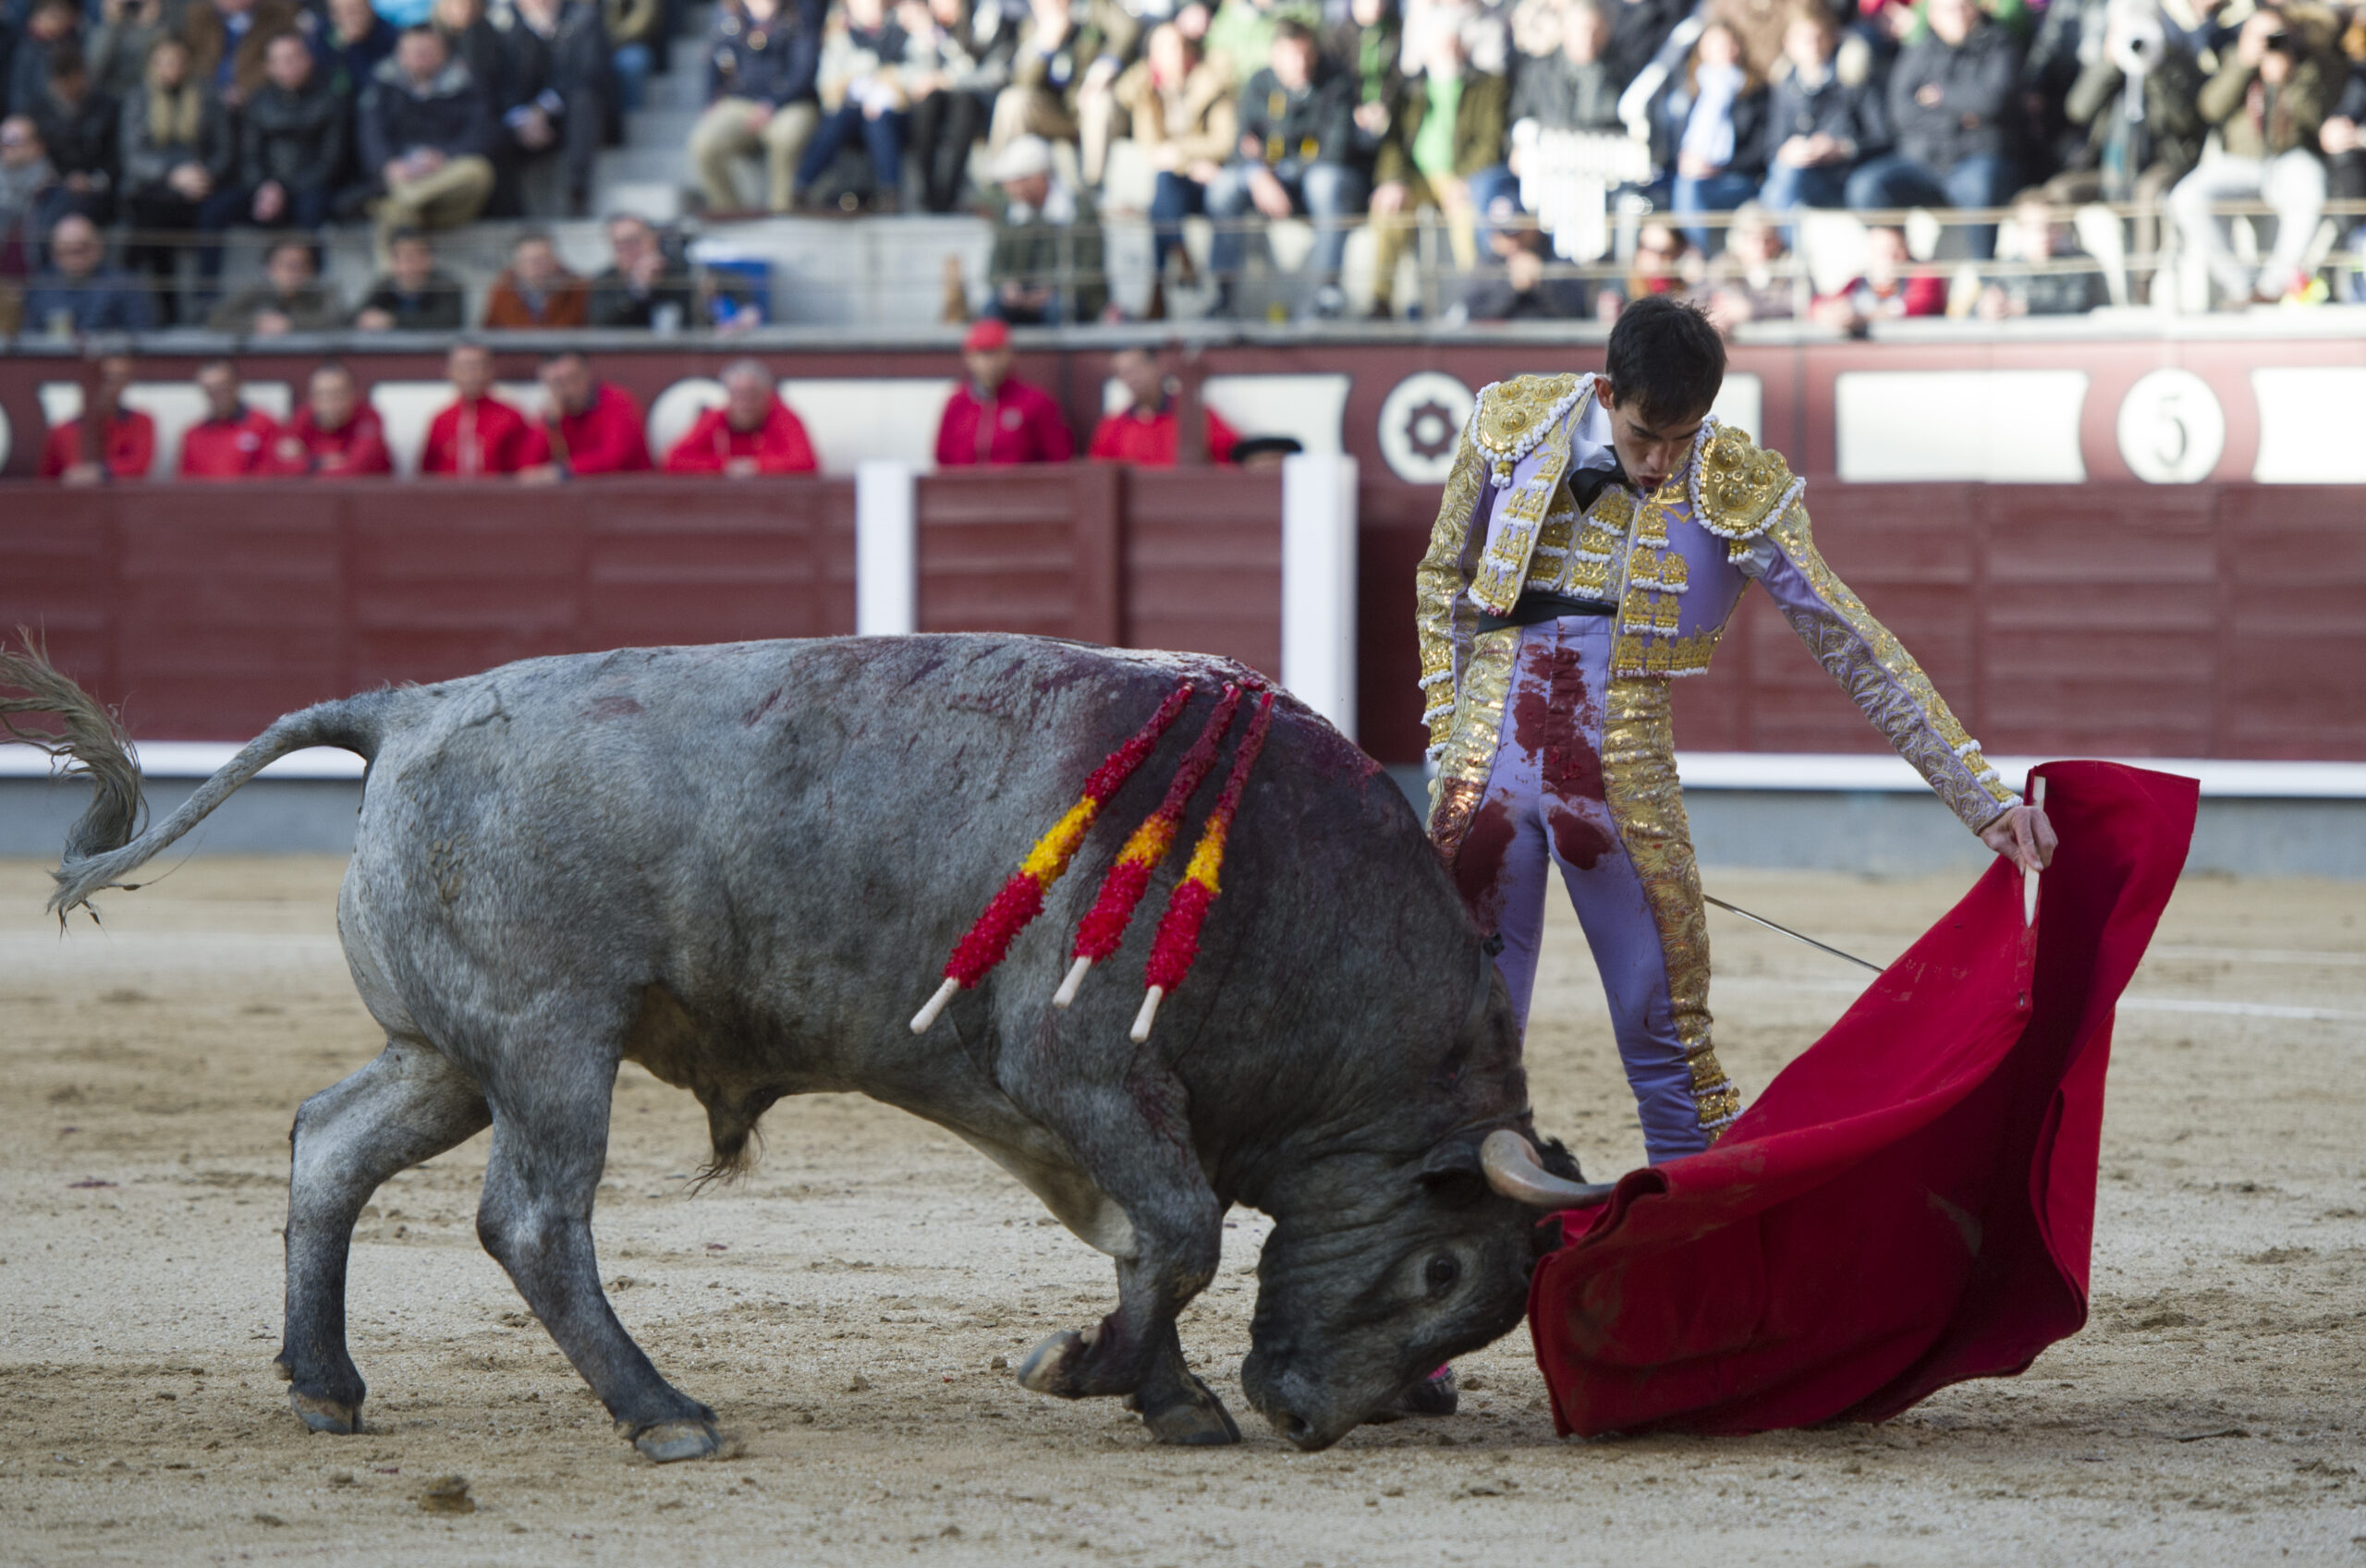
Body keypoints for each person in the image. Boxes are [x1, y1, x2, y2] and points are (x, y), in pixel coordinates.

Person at [1412, 294, 2052, 1176]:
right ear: (1604, 391)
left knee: (1663, 1025)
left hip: (1619, 773)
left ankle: (1693, 1253)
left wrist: (1981, 798)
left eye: (1684, 437)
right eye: (1644, 437)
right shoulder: (1511, 419)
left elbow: (1851, 640)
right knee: (1462, 1032)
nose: (1660, 462)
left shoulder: (1734, 482)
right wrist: (1447, 736)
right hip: (1484, 764)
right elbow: (1444, 577)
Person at [2169, 5, 2337, 307]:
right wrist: (2243, 66)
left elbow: (2314, 119)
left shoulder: (2307, 65)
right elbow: (2210, 108)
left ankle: (2273, 287)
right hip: (2240, 160)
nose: (2267, 43)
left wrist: (2287, 79)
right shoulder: (2233, 59)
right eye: (2258, 36)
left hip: (2290, 158)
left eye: (2274, 36)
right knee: (2187, 198)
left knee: (2311, 192)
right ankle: (2242, 288)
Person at [1204, 19, 1365, 315]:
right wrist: (1259, 174)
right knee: (1223, 187)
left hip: (1315, 178)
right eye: (1292, 55)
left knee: (1326, 183)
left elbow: (1335, 149)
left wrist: (1280, 164)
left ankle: (1325, 292)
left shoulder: (1336, 83)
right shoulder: (1259, 84)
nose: (1300, 64)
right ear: (1275, 56)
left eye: (1306, 54)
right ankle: (1222, 294)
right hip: (1270, 176)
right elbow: (1241, 144)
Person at [1844, 0, 2021, 258]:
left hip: (1975, 158)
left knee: (1980, 187)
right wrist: (1959, 119)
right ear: (1934, 15)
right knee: (1866, 187)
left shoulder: (1999, 44)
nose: (1959, 16)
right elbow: (1901, 111)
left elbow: (1992, 101)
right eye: (1950, 10)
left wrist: (1938, 96)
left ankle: (1985, 276)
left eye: (1964, 7)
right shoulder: (1920, 48)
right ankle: (1903, 271)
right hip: (1922, 161)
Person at [1367, 22, 1506, 313]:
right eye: (1441, 43)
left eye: (1454, 42)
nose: (1449, 50)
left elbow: (1488, 142)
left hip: (1460, 178)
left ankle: (1477, 301)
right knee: (1389, 210)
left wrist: (1465, 179)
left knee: (1468, 216)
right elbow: (1393, 146)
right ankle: (1380, 299)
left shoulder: (1487, 86)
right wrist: (1392, 180)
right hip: (1416, 178)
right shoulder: (1409, 90)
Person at [118, 35, 239, 321]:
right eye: (165, 62)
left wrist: (201, 174)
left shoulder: (208, 96)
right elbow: (132, 157)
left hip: (200, 187)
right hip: (155, 188)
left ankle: (205, 298)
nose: (172, 68)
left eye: (178, 61)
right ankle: (165, 306)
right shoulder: (138, 98)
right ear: (152, 65)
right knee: (152, 217)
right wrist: (171, 174)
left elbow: (224, 150)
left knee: (213, 211)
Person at [1115, 22, 1237, 284]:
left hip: (1210, 178)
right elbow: (1152, 149)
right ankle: (1178, 252)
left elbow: (1223, 142)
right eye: (1168, 48)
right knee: (1164, 186)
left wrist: (1180, 153)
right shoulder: (1146, 90)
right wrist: (1188, 164)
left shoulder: (1212, 83)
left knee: (1162, 199)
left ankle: (1160, 281)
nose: (1177, 54)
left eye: (1181, 46)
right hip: (1179, 176)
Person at [359, 26, 498, 245]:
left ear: (444, 52)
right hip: (401, 174)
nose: (421, 57)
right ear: (400, 54)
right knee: (397, 215)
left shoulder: (467, 84)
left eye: (428, 51)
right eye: (415, 52)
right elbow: (371, 135)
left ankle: (407, 200)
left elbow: (480, 134)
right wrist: (389, 165)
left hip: (446, 177)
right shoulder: (382, 85)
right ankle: (405, 207)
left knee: (479, 171)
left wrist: (443, 157)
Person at [690, 0, 827, 213]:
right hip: (740, 101)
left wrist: (773, 103)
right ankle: (730, 214)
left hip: (790, 102)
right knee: (703, 143)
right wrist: (711, 99)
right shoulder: (728, 17)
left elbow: (804, 71)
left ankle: (782, 211)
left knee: (786, 137)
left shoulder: (800, 14)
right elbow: (714, 61)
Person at [1757, 2, 1885, 218]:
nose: (1812, 45)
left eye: (1818, 37)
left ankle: (1778, 238)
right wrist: (1787, 151)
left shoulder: (1853, 76)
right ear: (1788, 43)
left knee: (1788, 177)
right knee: (1786, 172)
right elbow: (1772, 145)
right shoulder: (1785, 85)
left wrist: (1842, 148)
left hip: (1845, 175)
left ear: (1831, 37)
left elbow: (1882, 136)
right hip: (1801, 175)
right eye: (1804, 39)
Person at [896, 0, 1016, 213]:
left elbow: (997, 74)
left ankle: (949, 193)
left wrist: (950, 80)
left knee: (964, 103)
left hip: (980, 102)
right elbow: (917, 80)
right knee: (927, 105)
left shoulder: (988, 21)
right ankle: (927, 191)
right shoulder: (928, 26)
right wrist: (927, 39)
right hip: (939, 106)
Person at [1662, 19, 1766, 256]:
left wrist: (1717, 168)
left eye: (1728, 44)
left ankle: (1707, 258)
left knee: (1689, 190)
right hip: (1695, 175)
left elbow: (1761, 149)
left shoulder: (1755, 93)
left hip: (1739, 177)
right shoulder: (1691, 91)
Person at [498, 0, 612, 216]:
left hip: (569, 114)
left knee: (583, 102)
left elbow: (586, 73)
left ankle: (577, 191)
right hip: (524, 119)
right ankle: (506, 208)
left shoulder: (583, 16)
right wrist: (524, 118)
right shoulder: (504, 23)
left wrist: (542, 109)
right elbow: (502, 83)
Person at [798, 0, 913, 209]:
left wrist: (882, 88)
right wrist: (853, 81)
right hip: (849, 109)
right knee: (838, 120)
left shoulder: (900, 28)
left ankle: (890, 193)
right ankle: (802, 186)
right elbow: (827, 87)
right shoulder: (840, 36)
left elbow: (913, 73)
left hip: (892, 110)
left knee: (878, 121)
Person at [983, 133, 1108, 322]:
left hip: (1067, 298)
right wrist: (1008, 287)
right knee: (992, 310)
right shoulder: (1009, 213)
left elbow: (1091, 271)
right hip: (1023, 298)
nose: (1009, 188)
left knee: (1059, 309)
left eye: (1017, 181)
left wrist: (1052, 290)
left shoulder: (1080, 210)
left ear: (1038, 178)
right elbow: (995, 269)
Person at [238, 30, 348, 234]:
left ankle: (311, 264)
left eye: (295, 57)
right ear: (269, 67)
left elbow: (331, 160)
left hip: (312, 185)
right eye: (281, 60)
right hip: (268, 186)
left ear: (309, 59)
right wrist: (265, 186)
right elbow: (249, 154)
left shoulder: (329, 100)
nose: (289, 65)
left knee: (311, 208)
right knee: (221, 208)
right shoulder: (259, 101)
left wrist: (285, 190)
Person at [933, 316, 1073, 465]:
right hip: (966, 487)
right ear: (969, 357)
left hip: (1020, 487)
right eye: (982, 353)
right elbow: (943, 460)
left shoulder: (1037, 403)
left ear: (1008, 354)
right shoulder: (957, 404)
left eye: (995, 352)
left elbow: (1059, 462)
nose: (989, 362)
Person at [662, 358, 820, 475]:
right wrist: (724, 467)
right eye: (738, 395)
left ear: (767, 395)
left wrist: (756, 467)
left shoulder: (783, 418)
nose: (745, 403)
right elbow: (674, 460)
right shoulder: (716, 418)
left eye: (752, 395)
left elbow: (805, 462)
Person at [1088, 345, 1238, 463]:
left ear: (1157, 367)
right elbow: (1099, 474)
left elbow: (1232, 454)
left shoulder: (1193, 413)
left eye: (1136, 368)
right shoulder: (1112, 426)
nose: (1132, 378)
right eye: (1123, 373)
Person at [518, 350, 652, 479]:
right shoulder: (552, 416)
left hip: (628, 493)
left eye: (573, 378)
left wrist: (564, 471)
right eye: (558, 383)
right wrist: (550, 424)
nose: (567, 389)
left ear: (587, 374)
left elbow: (614, 457)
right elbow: (528, 469)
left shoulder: (618, 402)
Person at [22, 213, 157, 334]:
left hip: (108, 358)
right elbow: (29, 338)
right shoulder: (40, 287)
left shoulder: (125, 285)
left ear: (99, 247)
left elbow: (143, 338)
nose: (75, 257)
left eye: (82, 249)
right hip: (54, 360)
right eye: (66, 250)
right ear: (54, 253)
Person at [1978, 192, 2109, 316]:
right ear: (2020, 230)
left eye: (2050, 227)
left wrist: (2025, 309)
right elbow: (1974, 311)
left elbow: (2078, 304)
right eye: (2034, 227)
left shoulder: (2081, 264)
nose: (2043, 235)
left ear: (2061, 228)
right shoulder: (2005, 269)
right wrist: (1987, 308)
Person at [30, 46, 119, 224]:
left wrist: (93, 181)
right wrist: (60, 178)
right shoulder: (40, 111)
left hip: (98, 190)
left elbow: (116, 158)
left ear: (83, 76)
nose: (69, 89)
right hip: (54, 187)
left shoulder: (107, 108)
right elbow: (39, 156)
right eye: (62, 83)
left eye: (74, 79)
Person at [421, 340, 536, 475]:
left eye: (477, 366)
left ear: (490, 371)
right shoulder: (441, 420)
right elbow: (427, 473)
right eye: (464, 367)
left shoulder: (511, 417)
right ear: (450, 372)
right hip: (448, 495)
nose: (471, 374)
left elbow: (525, 471)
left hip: (498, 494)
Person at [39, 353, 156, 483]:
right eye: (105, 378)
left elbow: (138, 465)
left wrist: (101, 471)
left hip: (127, 502)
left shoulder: (140, 422)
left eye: (119, 379)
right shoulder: (62, 431)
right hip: (76, 501)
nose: (111, 385)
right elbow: (47, 481)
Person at [1809, 220, 1943, 328]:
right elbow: (1823, 302)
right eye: (1881, 252)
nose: (1889, 259)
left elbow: (1918, 305)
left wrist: (1865, 317)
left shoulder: (1922, 274)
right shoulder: (1860, 281)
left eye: (1894, 251)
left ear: (1906, 249)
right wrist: (1828, 313)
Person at [278, 359, 396, 476]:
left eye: (338, 394)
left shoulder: (368, 418)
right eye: (322, 395)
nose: (330, 403)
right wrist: (317, 463)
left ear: (352, 395)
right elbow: (279, 466)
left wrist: (304, 463)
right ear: (311, 400)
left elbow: (355, 470)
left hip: (365, 493)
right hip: (311, 493)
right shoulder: (303, 417)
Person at [207, 235, 341, 333]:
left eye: (300, 265)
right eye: (286, 265)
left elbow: (336, 320)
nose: (293, 272)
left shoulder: (322, 291)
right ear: (269, 268)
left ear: (311, 269)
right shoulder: (256, 290)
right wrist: (257, 323)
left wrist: (291, 323)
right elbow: (216, 319)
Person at [1456, 219, 1588, 319]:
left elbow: (1578, 312)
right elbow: (1473, 314)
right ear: (1494, 237)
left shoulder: (1559, 263)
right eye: (1506, 234)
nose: (1514, 241)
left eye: (1519, 233)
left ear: (1533, 229)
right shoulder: (1484, 268)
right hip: (1499, 351)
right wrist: (1511, 288)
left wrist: (1542, 281)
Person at [180, 358, 289, 478]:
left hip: (251, 495)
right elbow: (186, 486)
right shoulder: (193, 435)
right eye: (209, 389)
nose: (216, 394)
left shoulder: (263, 424)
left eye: (222, 387)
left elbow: (273, 475)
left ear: (237, 384)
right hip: (205, 496)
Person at [588, 213, 695, 328]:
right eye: (619, 244)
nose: (628, 250)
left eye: (634, 241)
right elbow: (601, 322)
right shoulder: (606, 280)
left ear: (654, 239)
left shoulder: (679, 274)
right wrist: (637, 290)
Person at [352, 226, 468, 328]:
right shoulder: (385, 286)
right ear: (394, 261)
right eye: (408, 258)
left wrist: (392, 321)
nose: (414, 264)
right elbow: (352, 318)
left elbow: (448, 321)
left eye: (421, 254)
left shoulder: (447, 286)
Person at [482, 229, 592, 328]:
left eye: (543, 260)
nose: (537, 267)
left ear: (555, 260)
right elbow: (488, 332)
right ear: (517, 265)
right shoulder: (502, 293)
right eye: (530, 261)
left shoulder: (578, 291)